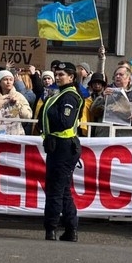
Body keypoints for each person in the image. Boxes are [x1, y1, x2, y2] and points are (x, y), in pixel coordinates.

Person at [41, 62, 84, 242]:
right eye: (56, 74)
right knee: (62, 189)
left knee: (55, 190)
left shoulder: (69, 97)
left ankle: (51, 229)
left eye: (61, 75)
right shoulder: (60, 94)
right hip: (58, 145)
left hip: (64, 146)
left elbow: (65, 122)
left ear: (71, 77)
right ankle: (70, 229)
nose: (58, 77)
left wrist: (50, 112)